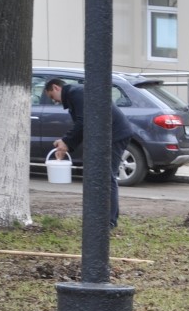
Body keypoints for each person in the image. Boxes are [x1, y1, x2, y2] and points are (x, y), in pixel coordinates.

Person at [45, 78, 134, 228]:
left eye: (52, 97)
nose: (55, 102)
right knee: (101, 176)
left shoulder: (76, 93)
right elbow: (84, 126)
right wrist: (66, 145)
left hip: (115, 134)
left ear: (56, 87)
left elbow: (83, 121)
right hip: (109, 135)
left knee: (107, 177)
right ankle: (104, 217)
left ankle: (109, 221)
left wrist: (66, 142)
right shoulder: (75, 95)